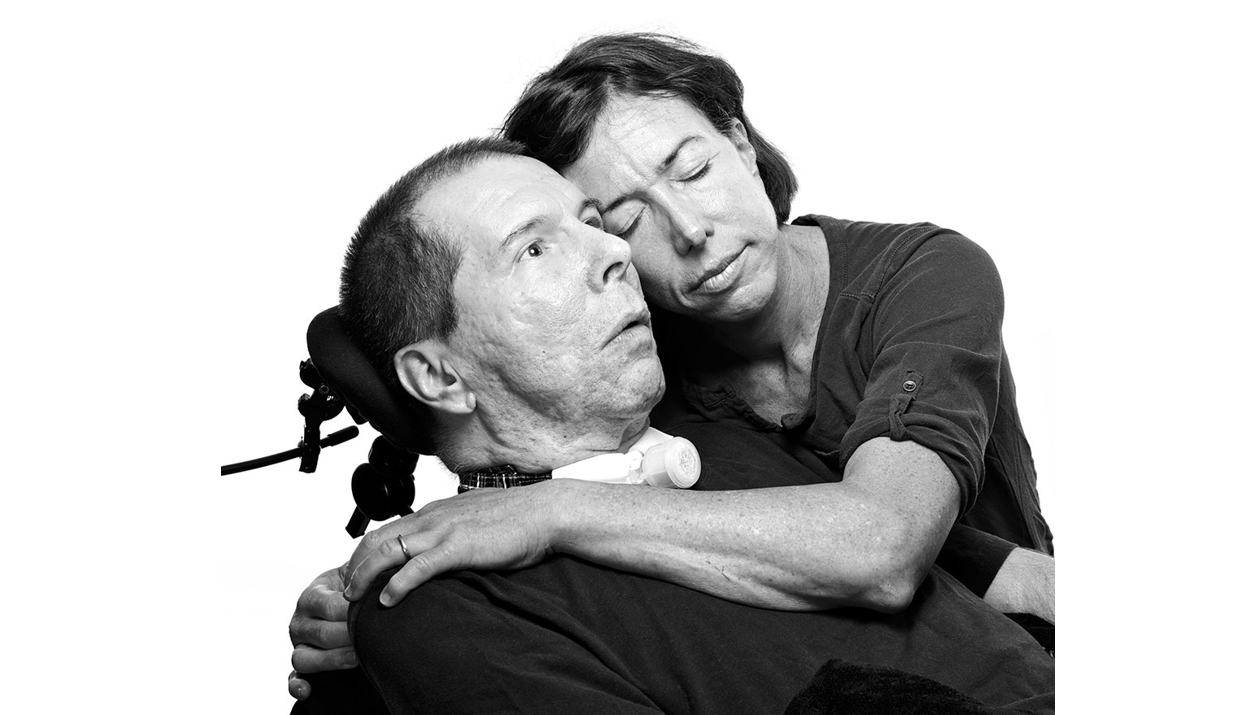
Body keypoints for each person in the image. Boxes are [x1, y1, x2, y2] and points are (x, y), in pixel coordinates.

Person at [290, 31, 1054, 701]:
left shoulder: (926, 278)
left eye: (692, 170)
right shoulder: (642, 358)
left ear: (743, 145)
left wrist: (550, 513)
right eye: (618, 218)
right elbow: (504, 408)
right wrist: (371, 601)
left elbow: (886, 540)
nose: (688, 230)